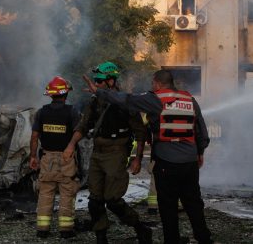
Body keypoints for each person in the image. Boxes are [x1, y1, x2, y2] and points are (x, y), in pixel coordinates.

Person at [83, 69, 213, 244]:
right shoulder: (189, 99)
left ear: (158, 83)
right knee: (194, 203)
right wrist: (200, 152)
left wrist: (98, 91)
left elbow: (125, 99)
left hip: (166, 161)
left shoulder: (154, 99)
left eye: (153, 83)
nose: (152, 86)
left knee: (168, 205)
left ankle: (172, 240)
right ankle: (204, 238)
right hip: (189, 162)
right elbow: (200, 129)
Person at [63, 62, 151, 244]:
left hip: (116, 152)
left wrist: (137, 159)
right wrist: (71, 145)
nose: (97, 83)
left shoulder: (126, 101)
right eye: (95, 80)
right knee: (94, 201)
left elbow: (140, 133)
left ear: (111, 81)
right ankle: (101, 237)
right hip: (98, 153)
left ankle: (140, 228)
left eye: (100, 81)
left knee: (113, 200)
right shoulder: (94, 102)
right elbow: (83, 125)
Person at [30, 76, 80, 239]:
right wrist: (70, 146)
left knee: (45, 193)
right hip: (67, 158)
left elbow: (34, 137)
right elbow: (79, 132)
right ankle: (66, 231)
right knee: (67, 193)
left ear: (50, 95)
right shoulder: (72, 112)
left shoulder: (41, 112)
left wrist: (33, 157)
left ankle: (42, 230)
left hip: (47, 158)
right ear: (65, 94)